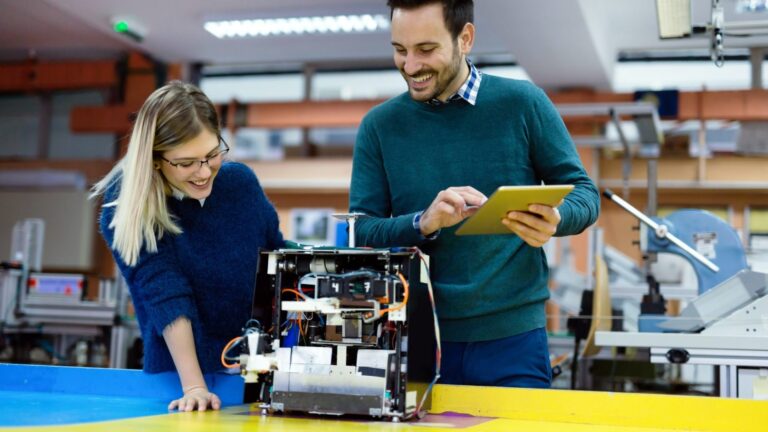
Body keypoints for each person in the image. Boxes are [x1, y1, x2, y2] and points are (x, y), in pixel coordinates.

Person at [349, 0, 600, 388]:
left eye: (426, 50)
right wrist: (423, 222)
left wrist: (557, 219)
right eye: (400, 50)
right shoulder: (379, 126)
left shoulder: (523, 104)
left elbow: (586, 194)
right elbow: (361, 230)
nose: (410, 66)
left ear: (464, 38)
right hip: (415, 337)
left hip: (513, 337)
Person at [91, 81, 284, 411]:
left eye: (212, 154)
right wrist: (193, 385)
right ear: (155, 159)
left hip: (256, 370)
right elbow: (166, 294)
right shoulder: (127, 203)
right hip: (179, 379)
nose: (204, 172)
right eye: (187, 163)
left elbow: (278, 262)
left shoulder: (239, 183)